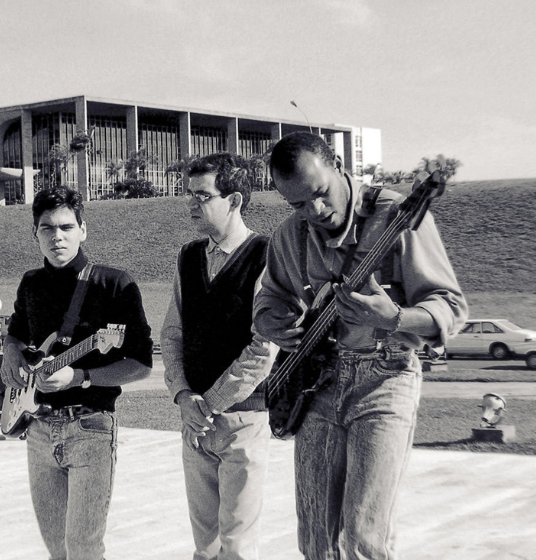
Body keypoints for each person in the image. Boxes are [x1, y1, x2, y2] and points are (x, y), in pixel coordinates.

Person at [254, 132, 468, 560]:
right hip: (317, 385)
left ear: (336, 163)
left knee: (364, 538)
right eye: (297, 204)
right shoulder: (290, 234)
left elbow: (451, 308)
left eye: (319, 194)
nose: (314, 211)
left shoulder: (396, 216)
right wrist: (273, 323)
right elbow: (269, 299)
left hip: (384, 380)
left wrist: (394, 319)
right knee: (315, 538)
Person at [0, 186, 153, 560]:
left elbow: (141, 364)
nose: (57, 237)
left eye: (67, 227)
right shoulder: (31, 283)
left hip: (90, 429)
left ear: (83, 229)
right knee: (57, 550)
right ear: (35, 234)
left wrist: (81, 376)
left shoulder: (113, 284)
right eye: (47, 229)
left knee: (83, 549)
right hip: (37, 429)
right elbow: (18, 332)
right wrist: (9, 353)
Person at [161, 152, 278, 560]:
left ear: (235, 200)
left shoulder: (267, 256)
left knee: (238, 548)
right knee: (204, 547)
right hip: (194, 424)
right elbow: (172, 332)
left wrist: (206, 404)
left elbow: (262, 350)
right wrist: (182, 395)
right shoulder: (188, 257)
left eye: (202, 195)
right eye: (189, 194)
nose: (191, 204)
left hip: (243, 421)